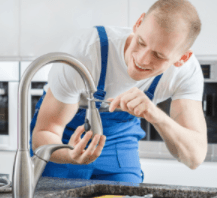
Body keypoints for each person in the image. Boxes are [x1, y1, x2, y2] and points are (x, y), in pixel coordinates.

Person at [29, 0, 207, 183]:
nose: (142, 59)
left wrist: (156, 116)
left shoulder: (185, 74)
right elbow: (44, 133)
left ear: (181, 58)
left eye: (159, 55)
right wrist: (70, 155)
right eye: (141, 42)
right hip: (66, 140)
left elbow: (194, 158)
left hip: (118, 141)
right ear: (138, 24)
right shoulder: (85, 52)